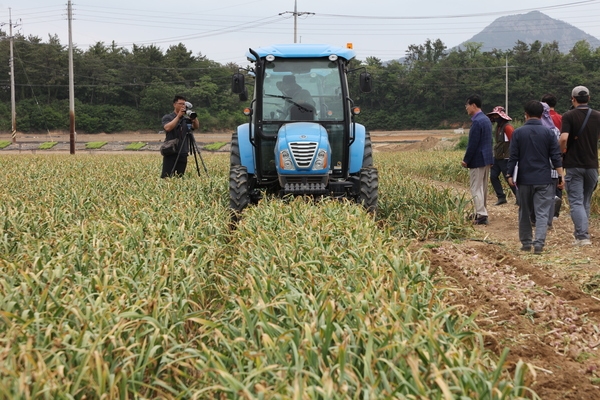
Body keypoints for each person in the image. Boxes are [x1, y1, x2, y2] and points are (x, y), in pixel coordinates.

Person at [507, 101, 564, 254]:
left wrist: (509, 174)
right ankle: (539, 243)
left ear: (526, 114)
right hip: (544, 179)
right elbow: (556, 157)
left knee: (524, 211)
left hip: (524, 179)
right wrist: (561, 175)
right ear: (541, 114)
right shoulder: (549, 133)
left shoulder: (518, 133)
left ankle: (526, 243)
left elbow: (513, 156)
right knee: (542, 212)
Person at [559, 86, 600, 246]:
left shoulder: (569, 116)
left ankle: (582, 237)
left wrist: (562, 149)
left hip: (574, 164)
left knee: (576, 201)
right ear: (588, 98)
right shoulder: (597, 116)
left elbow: (563, 138)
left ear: (573, 99)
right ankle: (581, 233)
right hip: (592, 165)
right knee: (585, 200)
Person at [462, 94, 494, 225]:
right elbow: (489, 141)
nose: (466, 109)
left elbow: (473, 144)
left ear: (473, 105)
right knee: (483, 187)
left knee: (476, 187)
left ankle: (481, 214)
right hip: (486, 158)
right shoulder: (486, 119)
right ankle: (481, 211)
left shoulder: (477, 122)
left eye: (467, 106)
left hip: (477, 159)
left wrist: (466, 160)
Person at [161, 95, 199, 178]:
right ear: (174, 104)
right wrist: (178, 116)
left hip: (183, 151)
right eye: (180, 104)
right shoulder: (168, 117)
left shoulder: (185, 119)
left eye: (184, 104)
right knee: (166, 177)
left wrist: (194, 118)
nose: (183, 106)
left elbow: (195, 127)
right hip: (170, 151)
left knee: (180, 177)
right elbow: (167, 128)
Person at [487, 106, 517, 205]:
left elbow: (514, 142)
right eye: (494, 116)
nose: (495, 118)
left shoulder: (507, 127)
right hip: (497, 157)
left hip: (506, 158)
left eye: (496, 115)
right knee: (493, 176)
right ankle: (501, 197)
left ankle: (519, 198)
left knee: (509, 179)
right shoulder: (498, 127)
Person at [540, 101, 562, 226]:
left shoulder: (537, 130)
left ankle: (539, 221)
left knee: (539, 196)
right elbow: (557, 151)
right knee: (550, 194)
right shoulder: (555, 130)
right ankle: (549, 221)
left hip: (540, 169)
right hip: (553, 168)